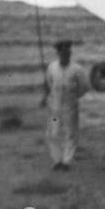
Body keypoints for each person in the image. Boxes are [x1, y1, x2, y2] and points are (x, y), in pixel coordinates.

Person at [41, 40, 90, 171]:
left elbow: (84, 87)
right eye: (62, 53)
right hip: (55, 107)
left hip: (70, 106)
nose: (65, 55)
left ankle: (67, 162)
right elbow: (48, 83)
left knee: (71, 133)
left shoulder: (77, 69)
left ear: (70, 53)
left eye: (67, 52)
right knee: (53, 133)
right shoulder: (52, 67)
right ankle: (57, 161)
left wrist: (74, 97)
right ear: (58, 53)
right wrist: (48, 98)